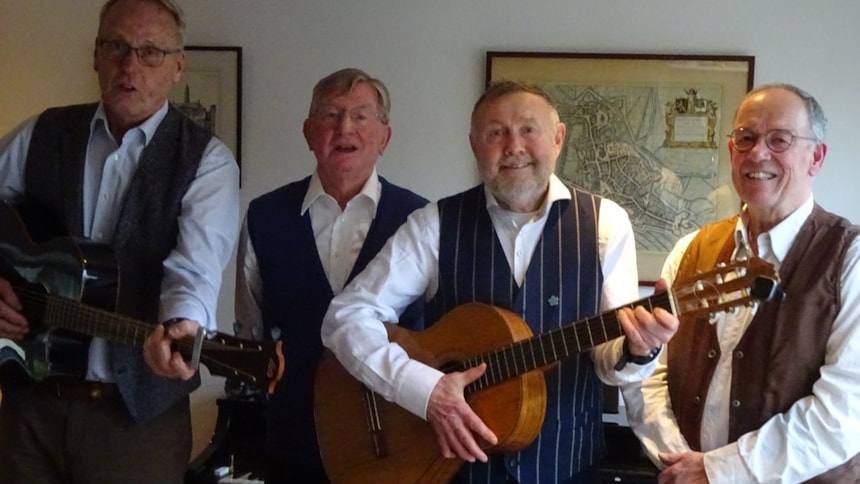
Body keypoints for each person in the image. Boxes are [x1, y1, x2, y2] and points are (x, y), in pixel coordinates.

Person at [321, 80, 679, 483]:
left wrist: (638, 349)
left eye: (528, 129)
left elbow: (608, 361)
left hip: (567, 467)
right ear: (474, 145)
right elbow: (346, 317)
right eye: (496, 133)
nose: (513, 147)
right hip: (455, 471)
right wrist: (423, 390)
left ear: (558, 138)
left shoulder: (605, 224)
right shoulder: (434, 224)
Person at [0, 0, 239, 482]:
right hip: (28, 408)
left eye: (150, 52)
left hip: (136, 426)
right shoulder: (43, 132)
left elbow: (194, 270)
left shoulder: (207, 162)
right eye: (116, 47)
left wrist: (181, 327)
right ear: (96, 55)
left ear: (177, 66)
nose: (130, 65)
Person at [622, 83, 860, 483]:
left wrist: (717, 472)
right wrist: (680, 462)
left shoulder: (850, 258)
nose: (758, 153)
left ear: (816, 157)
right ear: (732, 151)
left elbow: (844, 412)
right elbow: (650, 375)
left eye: (779, 140)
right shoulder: (690, 249)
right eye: (746, 138)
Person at [234, 67, 428, 483]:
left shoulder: (420, 220)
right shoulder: (264, 217)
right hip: (293, 446)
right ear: (309, 133)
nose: (345, 128)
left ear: (384, 137)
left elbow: (436, 335)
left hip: (396, 450)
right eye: (331, 115)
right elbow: (252, 331)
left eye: (361, 115)